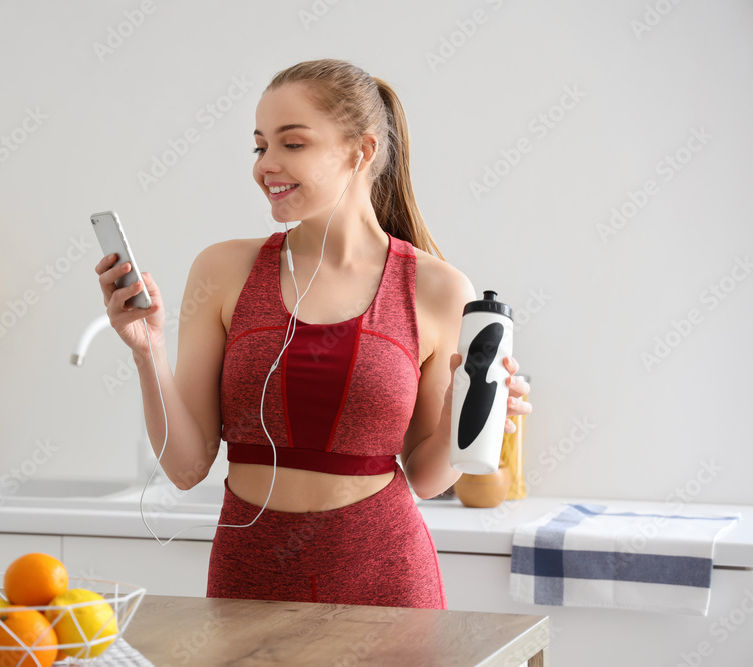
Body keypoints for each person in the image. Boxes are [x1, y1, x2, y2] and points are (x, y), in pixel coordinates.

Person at [94, 58, 532, 609]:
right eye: (259, 146)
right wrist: (147, 350)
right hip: (248, 580)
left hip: (384, 579)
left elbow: (425, 477)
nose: (266, 166)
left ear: (362, 150)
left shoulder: (436, 288)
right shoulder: (224, 271)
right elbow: (185, 468)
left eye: (292, 144)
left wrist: (461, 422)